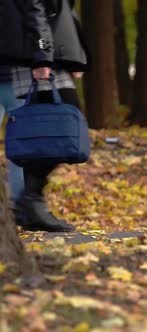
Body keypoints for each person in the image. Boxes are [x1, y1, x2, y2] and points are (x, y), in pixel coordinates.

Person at [0, 0, 89, 232]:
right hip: (33, 51)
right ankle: (29, 201)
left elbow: (63, 9)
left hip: (46, 49)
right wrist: (42, 54)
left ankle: (29, 202)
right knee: (57, 127)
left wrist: (76, 54)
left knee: (58, 128)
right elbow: (34, 5)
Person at [0, 66, 25, 211]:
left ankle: (18, 203)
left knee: (20, 145)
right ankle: (18, 205)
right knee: (20, 144)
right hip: (17, 76)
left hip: (16, 78)